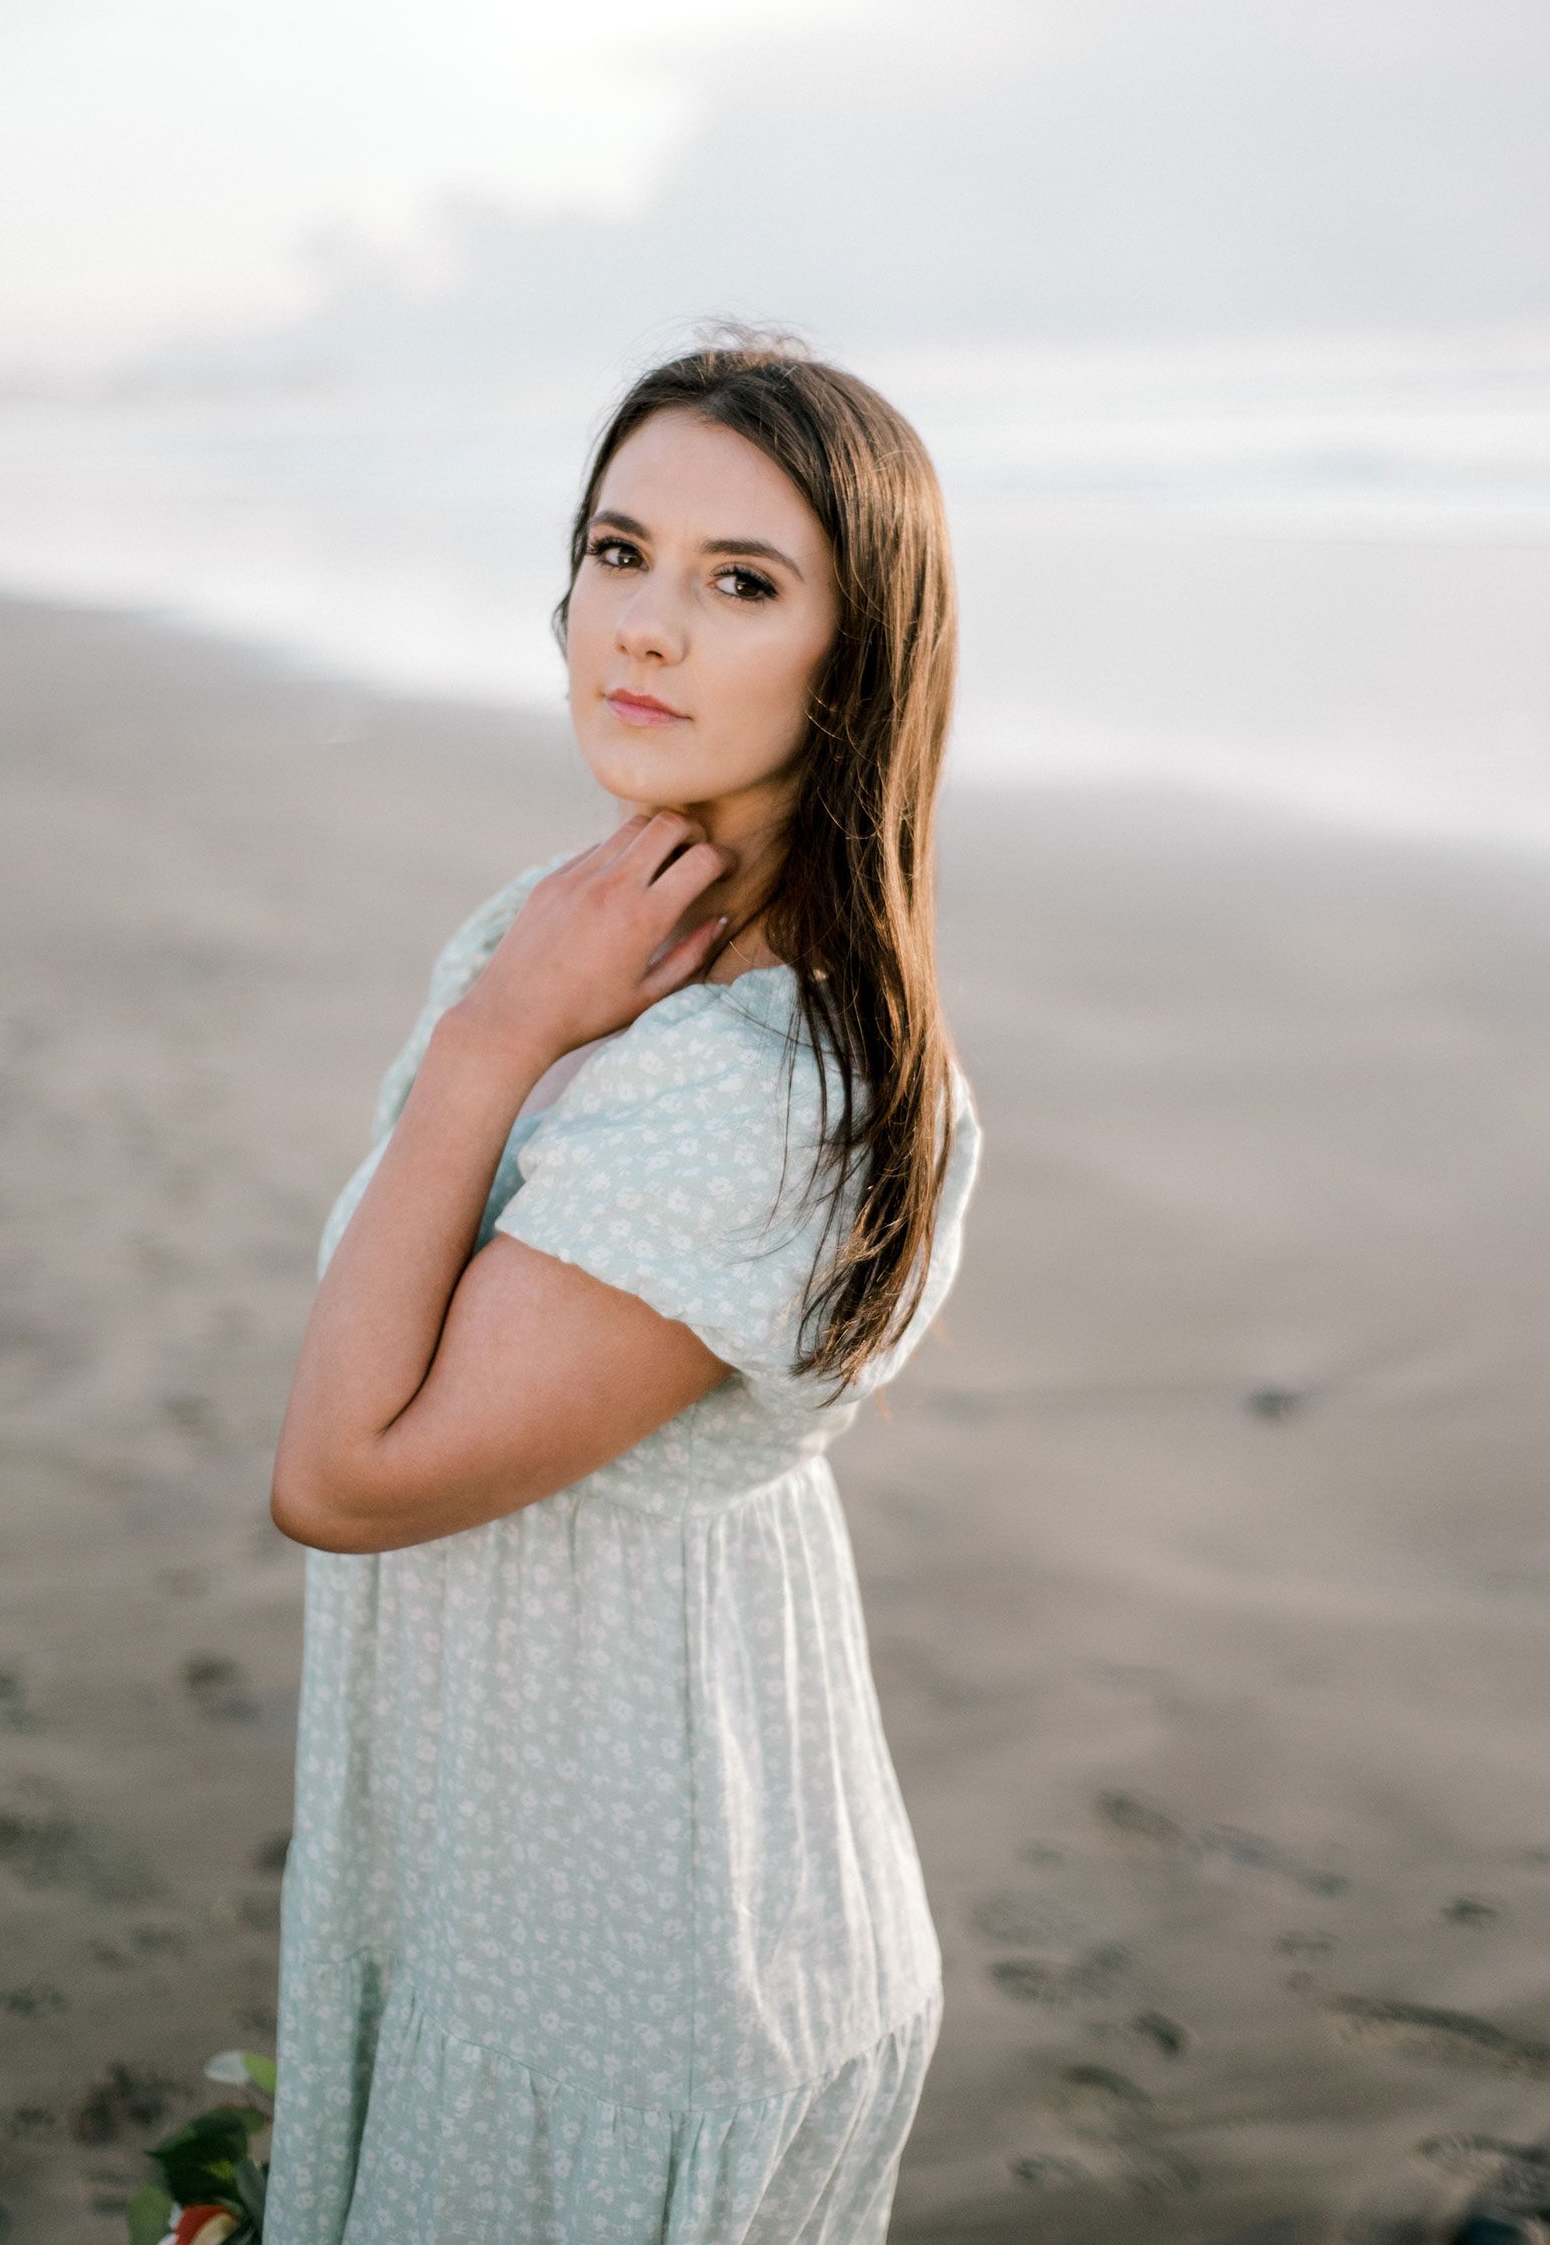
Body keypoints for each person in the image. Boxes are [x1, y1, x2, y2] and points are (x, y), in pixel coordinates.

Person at [263, 333, 983, 2245]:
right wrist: (511, 1005)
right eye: (617, 551)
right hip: (503, 1874)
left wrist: (496, 1043)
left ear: (856, 658)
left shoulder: (748, 1090)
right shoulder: (573, 925)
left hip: (636, 1968)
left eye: (742, 584)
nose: (643, 629)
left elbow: (344, 1476)